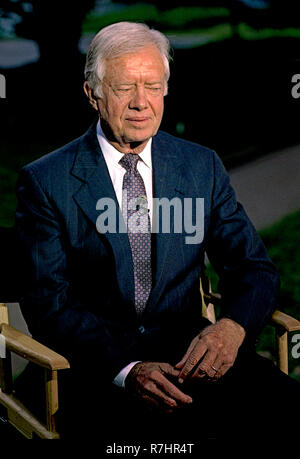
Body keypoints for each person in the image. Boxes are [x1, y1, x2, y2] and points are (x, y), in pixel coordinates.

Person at [15, 22, 299, 443]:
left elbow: (252, 266)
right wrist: (127, 370)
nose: (140, 103)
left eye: (152, 85)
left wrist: (232, 327)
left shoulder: (200, 165)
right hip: (93, 369)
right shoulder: (46, 180)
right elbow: (48, 304)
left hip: (190, 358)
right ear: (92, 94)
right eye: (124, 87)